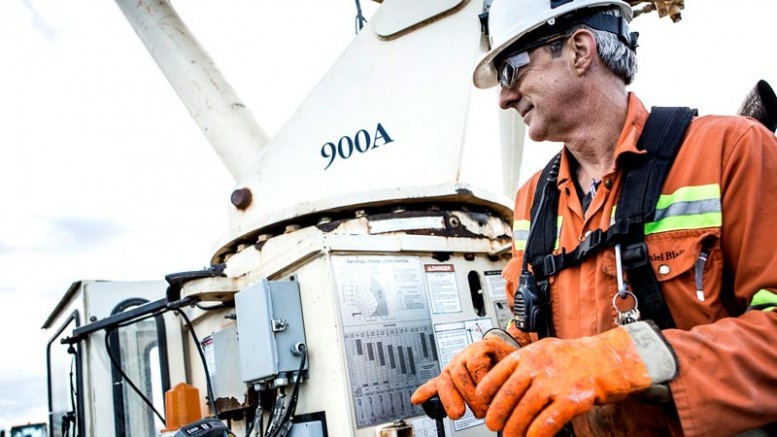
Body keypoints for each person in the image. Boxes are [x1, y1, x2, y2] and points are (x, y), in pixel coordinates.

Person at [410, 0, 777, 436]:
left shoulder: (730, 151)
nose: (505, 98)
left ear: (580, 50)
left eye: (510, 71)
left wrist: (625, 358)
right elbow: (539, 331)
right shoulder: (532, 200)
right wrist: (504, 348)